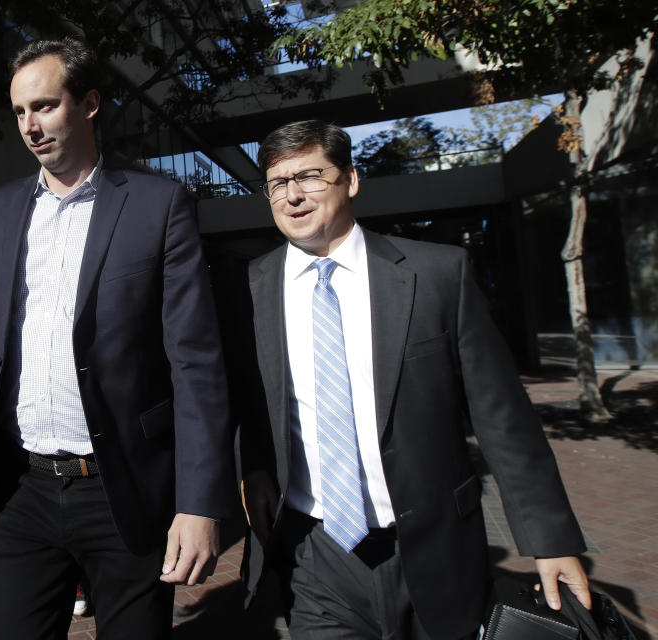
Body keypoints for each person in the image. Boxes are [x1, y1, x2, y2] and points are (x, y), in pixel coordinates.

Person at [233, 120, 591, 640]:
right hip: (315, 555)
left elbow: (502, 419)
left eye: (310, 176)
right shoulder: (249, 288)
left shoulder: (438, 275)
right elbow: (244, 395)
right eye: (277, 183)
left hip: (433, 546)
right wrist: (256, 470)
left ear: (351, 179)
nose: (292, 195)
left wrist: (549, 539)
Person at [0, 37, 234, 639]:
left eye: (46, 106)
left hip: (122, 485)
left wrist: (200, 501)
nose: (30, 125)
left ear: (90, 104)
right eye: (20, 111)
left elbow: (195, 363)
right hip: (21, 486)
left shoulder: (158, 205)